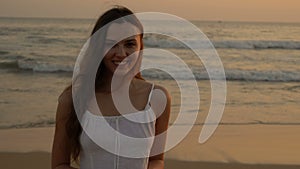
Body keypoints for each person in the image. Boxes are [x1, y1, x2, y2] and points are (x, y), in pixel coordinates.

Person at [51, 6, 171, 169]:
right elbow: (59, 164)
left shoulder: (157, 97)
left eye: (129, 44)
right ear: (98, 47)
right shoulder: (73, 98)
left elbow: (156, 160)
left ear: (140, 47)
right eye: (112, 44)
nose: (121, 53)